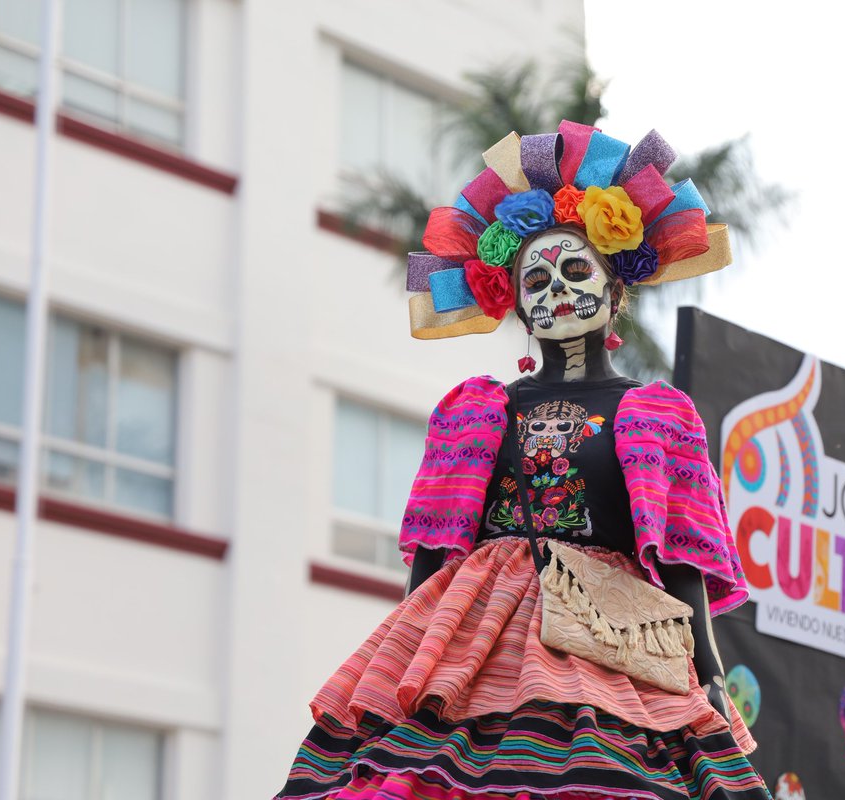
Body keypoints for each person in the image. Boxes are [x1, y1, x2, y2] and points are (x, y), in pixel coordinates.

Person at [275, 122, 771, 799]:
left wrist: (709, 673)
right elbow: (433, 552)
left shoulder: (659, 415)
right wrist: (407, 662)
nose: (556, 289)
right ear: (516, 302)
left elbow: (683, 558)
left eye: (574, 270)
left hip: (608, 639)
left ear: (613, 288)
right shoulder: (475, 409)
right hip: (477, 641)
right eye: (534, 278)